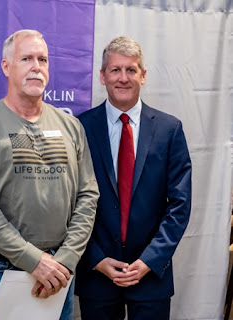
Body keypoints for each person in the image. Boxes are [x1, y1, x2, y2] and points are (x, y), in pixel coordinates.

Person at [0, 29, 99, 320]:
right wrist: (33, 261)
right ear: (7, 67)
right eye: (27, 58)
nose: (37, 66)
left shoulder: (70, 126)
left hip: (60, 270)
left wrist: (66, 260)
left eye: (43, 59)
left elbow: (88, 194)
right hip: (1, 269)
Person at [75, 36, 192, 320]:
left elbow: (180, 205)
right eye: (115, 70)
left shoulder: (169, 130)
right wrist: (96, 258)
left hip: (152, 276)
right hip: (97, 274)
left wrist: (149, 261)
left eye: (131, 69)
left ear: (143, 75)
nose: (123, 78)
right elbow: (69, 202)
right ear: (103, 76)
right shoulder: (80, 128)